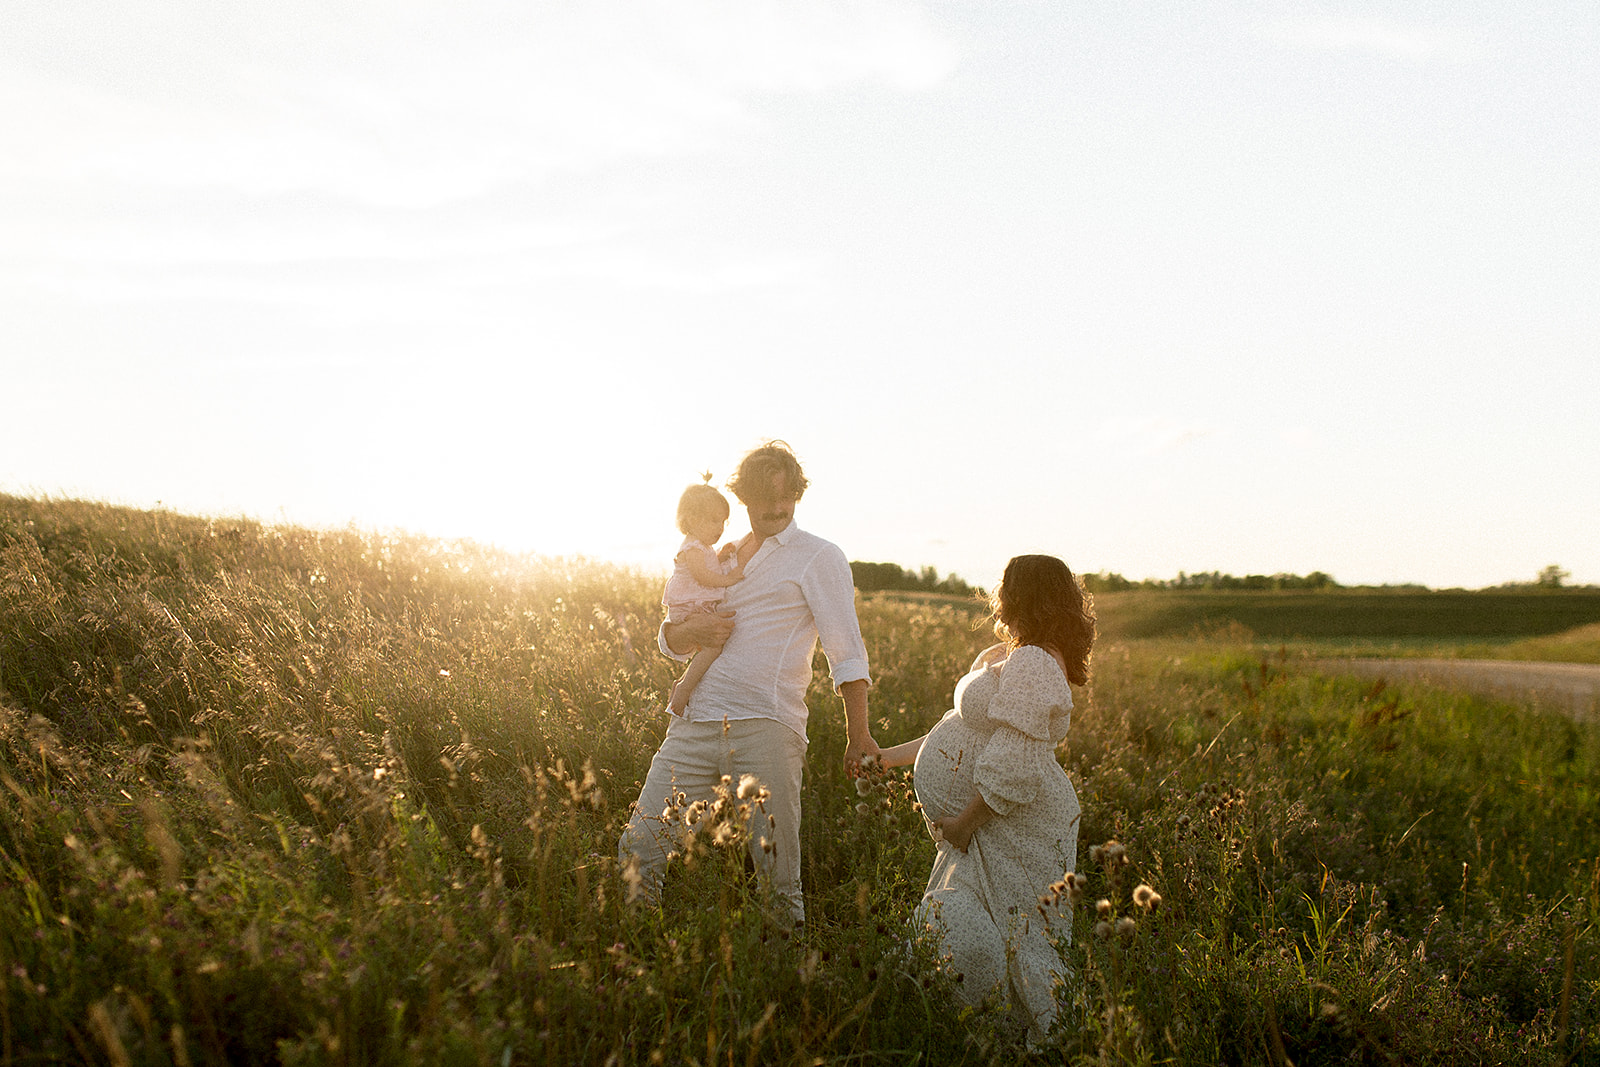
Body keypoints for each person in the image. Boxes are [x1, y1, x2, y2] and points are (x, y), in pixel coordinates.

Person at [619, 441, 877, 926]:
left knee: (777, 881)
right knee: (638, 848)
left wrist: (857, 734)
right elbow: (674, 632)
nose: (777, 509)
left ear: (798, 493)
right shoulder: (721, 553)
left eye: (787, 498)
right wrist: (687, 633)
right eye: (765, 500)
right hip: (694, 723)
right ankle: (642, 965)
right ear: (744, 498)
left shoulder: (818, 556)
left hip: (766, 729)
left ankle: (785, 990)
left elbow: (847, 653)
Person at [876, 554, 1095, 1042]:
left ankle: (1010, 1032)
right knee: (984, 915)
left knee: (1017, 926)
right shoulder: (1015, 654)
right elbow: (953, 731)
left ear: (1018, 596)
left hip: (1009, 820)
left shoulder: (1036, 662)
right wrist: (888, 757)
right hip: (991, 822)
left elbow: (1014, 759)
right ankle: (968, 1020)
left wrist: (965, 822)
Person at [661, 480, 746, 715]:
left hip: (694, 603)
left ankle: (687, 684)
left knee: (714, 643)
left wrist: (721, 557)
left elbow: (709, 568)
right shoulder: (692, 548)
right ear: (690, 520)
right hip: (688, 607)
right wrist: (729, 578)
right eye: (712, 520)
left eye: (723, 521)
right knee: (713, 647)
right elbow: (703, 576)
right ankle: (684, 687)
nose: (719, 527)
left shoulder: (702, 548)